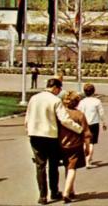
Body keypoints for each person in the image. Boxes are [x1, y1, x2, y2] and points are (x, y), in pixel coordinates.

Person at [25, 77, 83, 205]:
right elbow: (64, 120)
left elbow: (28, 117)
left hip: (35, 134)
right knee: (53, 164)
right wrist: (79, 129)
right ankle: (54, 191)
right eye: (59, 89)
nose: (59, 92)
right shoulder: (55, 100)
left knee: (40, 166)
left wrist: (28, 130)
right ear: (55, 87)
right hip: (50, 135)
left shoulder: (34, 98)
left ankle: (42, 196)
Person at [59, 92, 90, 203]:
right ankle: (66, 192)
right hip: (75, 144)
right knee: (72, 168)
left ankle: (71, 189)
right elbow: (86, 132)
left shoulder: (61, 114)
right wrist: (87, 146)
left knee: (67, 166)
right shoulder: (79, 115)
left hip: (61, 144)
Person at [77, 83, 107, 168]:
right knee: (91, 143)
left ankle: (85, 158)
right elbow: (101, 113)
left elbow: (79, 113)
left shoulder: (82, 102)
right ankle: (88, 161)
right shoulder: (97, 101)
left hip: (84, 123)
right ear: (93, 92)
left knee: (84, 142)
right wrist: (104, 122)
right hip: (94, 124)